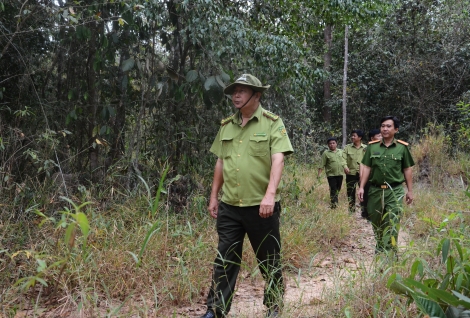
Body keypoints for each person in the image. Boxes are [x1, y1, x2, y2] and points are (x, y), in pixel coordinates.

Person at [201, 74, 294, 318]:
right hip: (230, 206)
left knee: (269, 258)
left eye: (242, 91)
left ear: (257, 95)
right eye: (234, 91)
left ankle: (274, 306)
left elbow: (278, 158)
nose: (236, 95)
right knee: (225, 259)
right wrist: (214, 197)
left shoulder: (272, 122)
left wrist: (270, 196)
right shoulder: (226, 126)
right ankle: (216, 310)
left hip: (261, 206)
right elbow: (221, 162)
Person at [358, 116, 414, 253]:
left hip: (394, 191)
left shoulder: (402, 148)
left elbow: (407, 169)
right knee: (376, 221)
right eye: (383, 126)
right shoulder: (372, 147)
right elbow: (366, 167)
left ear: (396, 129)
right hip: (375, 191)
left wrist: (410, 190)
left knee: (392, 220)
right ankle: (380, 246)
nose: (385, 129)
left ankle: (391, 251)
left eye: (389, 126)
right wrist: (361, 187)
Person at [318, 137, 347, 208]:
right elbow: (322, 164)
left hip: (340, 174)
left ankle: (334, 199)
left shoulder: (341, 151)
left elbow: (344, 161)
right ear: (328, 145)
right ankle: (334, 205)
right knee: (333, 189)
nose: (332, 145)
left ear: (336, 144)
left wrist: (346, 168)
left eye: (333, 143)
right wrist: (319, 175)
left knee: (338, 188)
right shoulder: (326, 153)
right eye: (330, 143)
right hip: (331, 175)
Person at [342, 130, 367, 213]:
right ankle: (351, 210)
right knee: (350, 192)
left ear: (360, 138)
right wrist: (345, 166)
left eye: (354, 136)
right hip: (350, 173)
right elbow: (343, 158)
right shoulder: (347, 147)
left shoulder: (366, 148)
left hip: (363, 174)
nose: (352, 137)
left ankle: (364, 211)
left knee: (364, 192)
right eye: (352, 135)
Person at [360, 129, 382, 219]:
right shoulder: (367, 149)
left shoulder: (385, 147)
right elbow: (363, 164)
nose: (381, 137)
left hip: (378, 178)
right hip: (368, 177)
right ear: (372, 138)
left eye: (381, 135)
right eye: (379, 136)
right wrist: (361, 177)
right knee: (366, 196)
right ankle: (366, 212)